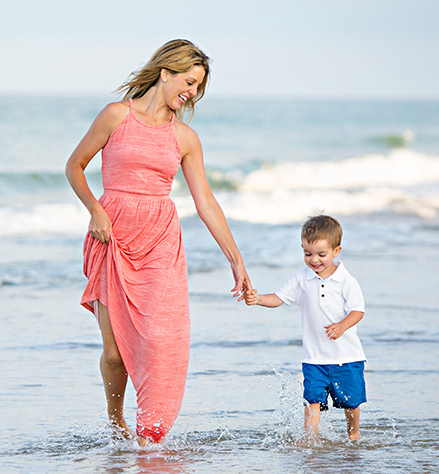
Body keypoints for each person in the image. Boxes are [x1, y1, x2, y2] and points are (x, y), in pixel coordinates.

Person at [65, 39, 251, 444]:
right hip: (112, 237)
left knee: (159, 341)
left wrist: (235, 260)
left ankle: (150, 432)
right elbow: (74, 166)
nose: (193, 92)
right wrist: (96, 210)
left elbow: (206, 202)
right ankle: (117, 422)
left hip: (160, 243)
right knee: (115, 355)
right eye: (189, 81)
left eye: (199, 87)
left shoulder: (185, 138)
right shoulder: (116, 116)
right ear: (165, 72)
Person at [244, 215, 367, 441]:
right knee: (312, 400)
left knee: (351, 401)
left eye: (322, 255)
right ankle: (311, 439)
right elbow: (279, 298)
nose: (314, 260)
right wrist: (258, 298)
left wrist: (342, 326)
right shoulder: (301, 278)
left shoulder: (346, 280)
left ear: (336, 251)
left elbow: (358, 310)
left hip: (347, 356)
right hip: (314, 358)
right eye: (307, 254)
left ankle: (354, 433)